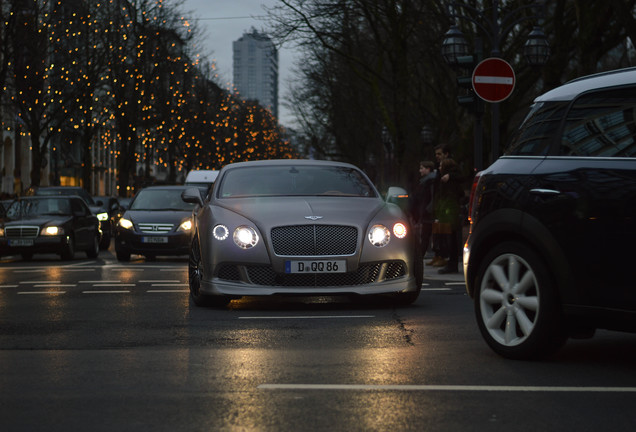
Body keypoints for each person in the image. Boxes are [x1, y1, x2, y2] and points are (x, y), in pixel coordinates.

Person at [434, 151, 465, 274]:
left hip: (450, 213)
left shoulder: (448, 181)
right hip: (451, 211)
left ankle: (451, 264)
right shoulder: (451, 179)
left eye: (441, 166)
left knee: (451, 238)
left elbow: (447, 197)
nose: (439, 168)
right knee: (451, 238)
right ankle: (451, 263)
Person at [408, 161, 436, 259]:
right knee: (426, 235)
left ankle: (421, 255)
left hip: (428, 213)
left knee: (426, 235)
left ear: (428, 169)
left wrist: (427, 210)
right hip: (426, 212)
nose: (420, 171)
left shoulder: (430, 181)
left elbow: (432, 197)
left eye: (422, 168)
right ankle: (424, 254)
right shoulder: (426, 181)